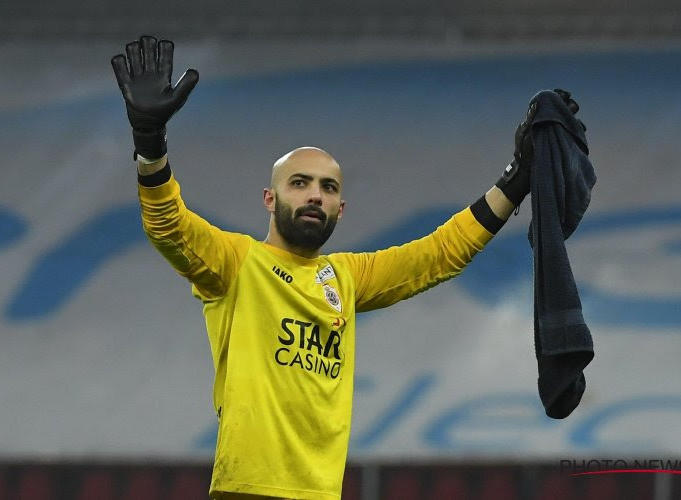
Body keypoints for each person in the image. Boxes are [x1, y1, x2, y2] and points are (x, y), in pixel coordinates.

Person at [112, 36, 579, 500]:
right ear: (269, 200)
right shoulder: (236, 264)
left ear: (341, 208)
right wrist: (150, 144)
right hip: (249, 491)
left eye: (329, 188)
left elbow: (440, 253)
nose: (316, 194)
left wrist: (517, 180)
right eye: (300, 183)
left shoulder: (346, 278)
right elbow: (167, 226)